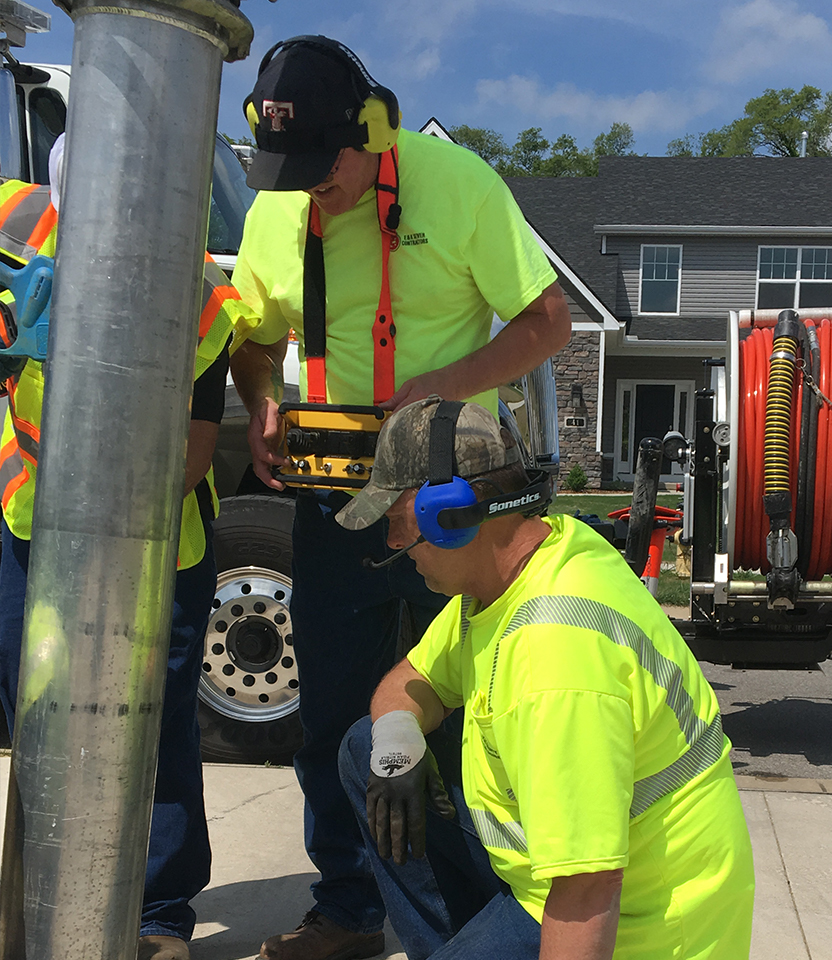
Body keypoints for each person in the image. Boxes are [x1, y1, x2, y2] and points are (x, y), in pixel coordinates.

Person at [229, 35, 571, 960]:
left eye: (321, 166)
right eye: (283, 167)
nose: (307, 188)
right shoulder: (278, 208)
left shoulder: (460, 185)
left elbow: (549, 321)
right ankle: (346, 910)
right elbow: (252, 338)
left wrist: (445, 386)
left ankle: (477, 915)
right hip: (334, 502)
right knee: (336, 720)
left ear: (374, 131)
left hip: (447, 502)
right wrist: (261, 402)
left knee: (457, 718)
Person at [335, 396, 756, 960]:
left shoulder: (554, 654)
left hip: (633, 927)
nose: (390, 544)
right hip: (556, 880)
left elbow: (589, 886)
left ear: (450, 513)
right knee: (368, 745)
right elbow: (408, 681)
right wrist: (397, 743)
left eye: (395, 522)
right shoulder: (518, 569)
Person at [0, 142, 259, 960]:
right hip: (22, 522)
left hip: (155, 544)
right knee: (34, 714)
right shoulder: (12, 224)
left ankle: (157, 914)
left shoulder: (196, 297)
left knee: (152, 725)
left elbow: (189, 452)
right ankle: (33, 903)